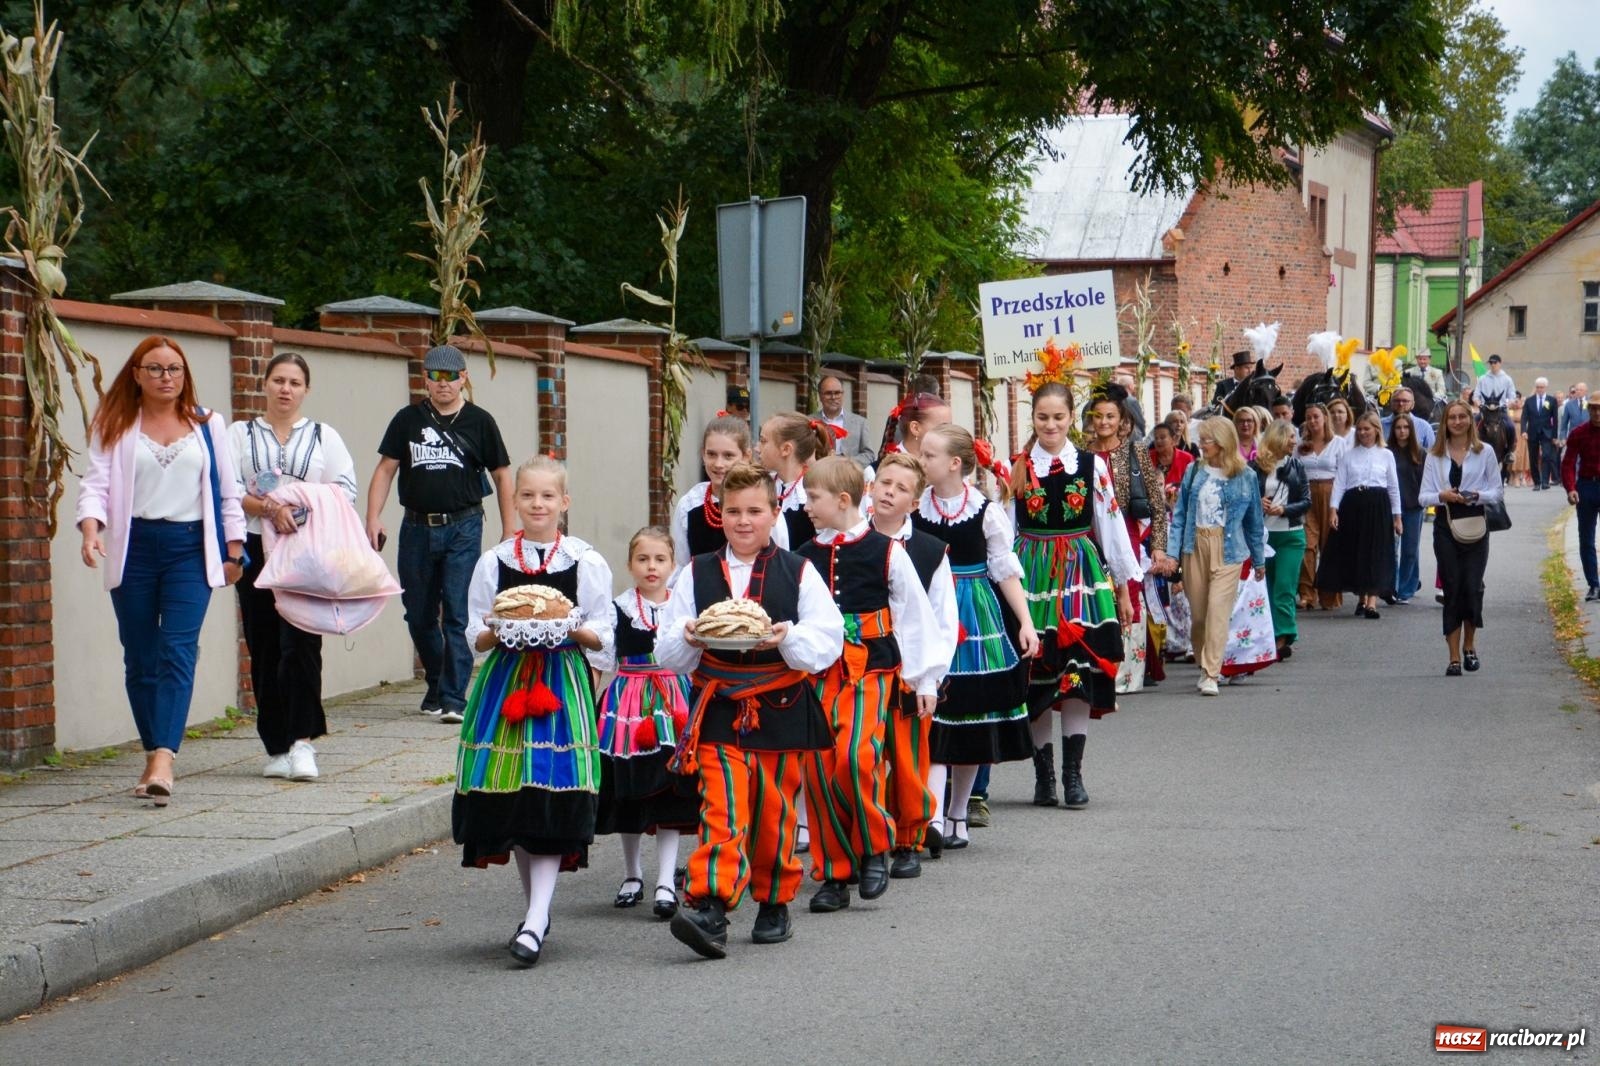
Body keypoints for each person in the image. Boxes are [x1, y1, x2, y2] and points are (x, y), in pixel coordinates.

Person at [656, 463, 844, 958]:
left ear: (773, 512)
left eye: (755, 511)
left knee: (773, 810)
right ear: (718, 514)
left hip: (780, 701)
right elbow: (667, 649)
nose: (743, 521)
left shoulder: (798, 571)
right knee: (723, 805)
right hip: (717, 703)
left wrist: (790, 636)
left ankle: (774, 900)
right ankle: (711, 905)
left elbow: (828, 640)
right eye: (733, 511)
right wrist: (688, 636)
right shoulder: (694, 573)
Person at [454, 456, 614, 967]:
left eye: (548, 496)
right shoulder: (494, 559)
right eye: (528, 496)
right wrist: (500, 630)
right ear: (515, 500)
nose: (538, 505)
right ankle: (534, 912)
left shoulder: (585, 560)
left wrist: (568, 627)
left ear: (564, 503)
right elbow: (475, 632)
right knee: (517, 798)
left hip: (560, 682)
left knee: (548, 790)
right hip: (505, 683)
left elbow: (603, 632)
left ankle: (538, 917)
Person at [77, 336, 246, 805]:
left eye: (174, 369)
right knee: (140, 654)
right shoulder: (114, 422)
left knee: (177, 648)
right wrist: (91, 531)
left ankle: (164, 757)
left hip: (189, 549)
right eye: (155, 369)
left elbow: (228, 492)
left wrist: (234, 551)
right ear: (137, 374)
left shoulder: (208, 425)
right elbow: (95, 484)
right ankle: (154, 745)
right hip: (132, 547)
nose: (166, 377)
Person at [794, 456, 943, 912]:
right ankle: (836, 873)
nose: (806, 507)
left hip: (872, 671)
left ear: (842, 500)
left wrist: (924, 678)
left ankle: (877, 844)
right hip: (819, 672)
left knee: (856, 756)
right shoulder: (803, 556)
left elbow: (916, 616)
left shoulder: (887, 550)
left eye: (813, 499)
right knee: (819, 768)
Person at [1007, 381, 1138, 809]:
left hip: (1080, 575)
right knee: (1039, 677)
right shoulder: (1019, 466)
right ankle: (1044, 776)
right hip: (1032, 574)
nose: (1050, 424)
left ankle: (1073, 774)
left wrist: (1122, 588)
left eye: (1058, 417)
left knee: (1078, 672)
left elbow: (1110, 524)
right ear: (1033, 419)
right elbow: (1005, 533)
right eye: (1043, 417)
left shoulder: (1091, 464)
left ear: (1071, 419)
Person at [366, 344, 515, 724]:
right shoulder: (408, 419)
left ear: (464, 377)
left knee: (457, 613)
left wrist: (509, 527)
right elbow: (386, 469)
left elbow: (501, 474)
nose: (443, 383)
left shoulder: (480, 421)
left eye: (451, 376)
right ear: (426, 379)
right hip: (416, 526)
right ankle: (436, 680)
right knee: (417, 614)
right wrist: (373, 516)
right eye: (435, 376)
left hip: (463, 526)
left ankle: (453, 697)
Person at [229, 352, 358, 782]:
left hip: (305, 547)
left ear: (306, 390)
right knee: (263, 643)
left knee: (301, 643)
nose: (285, 389)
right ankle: (277, 745)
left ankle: (303, 741)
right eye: (278, 380)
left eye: (294, 383)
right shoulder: (240, 434)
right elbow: (226, 489)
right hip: (254, 546)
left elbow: (344, 490)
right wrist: (267, 508)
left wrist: (296, 507)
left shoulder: (323, 436)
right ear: (264, 384)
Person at [912, 424, 1038, 843]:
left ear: (954, 464)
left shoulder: (985, 510)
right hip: (929, 610)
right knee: (932, 717)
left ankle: (958, 814)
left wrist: (1025, 621)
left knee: (965, 717)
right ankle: (930, 817)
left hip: (974, 614)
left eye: (929, 454)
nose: (921, 459)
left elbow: (1004, 570)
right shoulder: (916, 509)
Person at [594, 527, 696, 921]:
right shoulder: (618, 608)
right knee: (630, 789)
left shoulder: (684, 607)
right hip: (629, 706)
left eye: (660, 559)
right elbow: (604, 659)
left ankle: (667, 880)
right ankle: (632, 874)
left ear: (673, 564)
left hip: (675, 703)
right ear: (630, 565)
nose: (651, 567)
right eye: (643, 559)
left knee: (669, 790)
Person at [868, 451, 958, 877]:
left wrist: (930, 679)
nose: (890, 491)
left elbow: (942, 619)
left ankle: (908, 838)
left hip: (910, 671)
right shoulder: (849, 543)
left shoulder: (928, 550)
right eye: (885, 482)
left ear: (915, 502)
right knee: (860, 756)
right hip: (862, 668)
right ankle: (866, 839)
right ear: (870, 488)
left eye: (901, 488)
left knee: (907, 758)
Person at [1168, 418, 1265, 695]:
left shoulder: (1245, 475)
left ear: (1222, 442)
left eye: (1207, 440)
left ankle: (1212, 673)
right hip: (1195, 545)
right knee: (1199, 616)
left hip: (1229, 549)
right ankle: (1204, 663)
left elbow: (1254, 522)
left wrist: (1259, 560)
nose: (1202, 444)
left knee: (1217, 612)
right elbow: (1180, 515)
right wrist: (1173, 554)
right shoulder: (1194, 471)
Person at [1086, 387, 1170, 697]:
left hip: (1128, 536)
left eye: (1110, 416)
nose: (1104, 422)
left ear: (1122, 420)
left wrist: (1158, 547)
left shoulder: (1136, 455)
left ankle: (1125, 674)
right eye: (1098, 416)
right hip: (1089, 537)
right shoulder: (1081, 454)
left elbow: (1157, 507)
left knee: (1129, 597)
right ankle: (1096, 671)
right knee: (1095, 598)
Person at [1421, 401, 1503, 675]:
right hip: (1446, 524)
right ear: (1445, 422)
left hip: (1475, 524)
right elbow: (1423, 496)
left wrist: (1476, 494)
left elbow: (1497, 491)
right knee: (1452, 588)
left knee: (1472, 586)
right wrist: (1442, 496)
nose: (1457, 422)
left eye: (1461, 417)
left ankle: (1470, 646)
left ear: (1470, 420)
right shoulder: (1435, 455)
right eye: (1451, 417)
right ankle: (1454, 657)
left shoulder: (1485, 452)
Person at [672, 415, 788, 571]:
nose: (719, 464)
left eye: (728, 456)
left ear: (746, 456)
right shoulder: (690, 505)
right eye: (711, 454)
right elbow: (680, 564)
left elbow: (781, 560)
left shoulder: (763, 502)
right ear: (703, 454)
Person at [1318, 412, 1401, 618]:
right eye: (1361, 429)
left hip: (1378, 505)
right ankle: (1362, 598)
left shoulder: (1386, 454)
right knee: (1357, 550)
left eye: (1367, 429)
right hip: (1354, 504)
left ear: (1376, 430)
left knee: (1375, 551)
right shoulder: (1349, 455)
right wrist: (1333, 510)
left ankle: (1372, 602)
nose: (1363, 433)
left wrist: (1397, 516)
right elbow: (1339, 484)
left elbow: (1393, 487)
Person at [1252, 420, 1309, 660]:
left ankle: (1283, 636)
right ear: (1277, 439)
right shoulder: (1254, 468)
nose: (1295, 442)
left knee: (1284, 587)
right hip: (1263, 537)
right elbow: (1244, 497)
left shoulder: (1297, 465)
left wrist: (1285, 509)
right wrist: (1259, 502)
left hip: (1291, 534)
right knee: (1265, 589)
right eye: (1291, 437)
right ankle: (1267, 636)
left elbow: (1307, 500)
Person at [758, 411, 836, 546]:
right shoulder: (763, 485)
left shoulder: (812, 491)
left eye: (763, 441)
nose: (757, 448)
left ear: (786, 449)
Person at [1296, 402, 1346, 611]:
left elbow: (1344, 474)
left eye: (1316, 416)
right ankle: (1307, 594)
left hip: (1330, 491)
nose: (1313, 421)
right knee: (1307, 546)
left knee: (1329, 545)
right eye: (1309, 417)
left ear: (1324, 418)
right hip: (1306, 494)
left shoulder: (1339, 443)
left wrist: (1339, 502)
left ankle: (1329, 595)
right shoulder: (1301, 445)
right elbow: (1295, 469)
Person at [1561, 393, 1600, 600]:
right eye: (1593, 408)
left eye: (1599, 408)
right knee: (1586, 539)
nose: (1597, 413)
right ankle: (1594, 585)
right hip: (1586, 487)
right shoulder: (1579, 433)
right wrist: (1571, 488)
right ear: (1588, 409)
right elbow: (1568, 463)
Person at [1387, 413, 1427, 605]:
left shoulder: (1421, 453)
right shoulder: (1387, 452)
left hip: (1413, 507)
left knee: (1411, 550)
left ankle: (1406, 588)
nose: (1402, 431)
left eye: (1405, 427)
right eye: (1398, 428)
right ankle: (1391, 587)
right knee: (1391, 550)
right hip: (1391, 507)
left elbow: (1426, 481)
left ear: (1411, 430)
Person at [810, 374, 878, 467]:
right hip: (818, 474)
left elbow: (869, 455)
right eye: (828, 393)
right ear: (820, 396)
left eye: (837, 393)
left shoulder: (860, 423)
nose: (833, 397)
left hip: (849, 476)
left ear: (843, 395)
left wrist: (845, 462)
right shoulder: (809, 422)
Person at [878, 391, 952, 459]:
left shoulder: (947, 464)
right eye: (943, 427)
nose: (951, 434)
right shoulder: (882, 469)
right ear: (915, 428)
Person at [1521, 377, 1560, 490]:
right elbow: (1524, 417)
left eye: (1541, 387)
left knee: (1546, 456)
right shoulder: (1529, 400)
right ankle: (1537, 482)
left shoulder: (1552, 400)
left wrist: (1554, 436)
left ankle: (1545, 482)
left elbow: (1555, 419)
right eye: (1538, 387)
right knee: (1533, 457)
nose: (1539, 389)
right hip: (1532, 432)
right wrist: (1523, 430)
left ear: (1545, 387)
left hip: (1546, 432)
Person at [1558, 382, 1588, 449]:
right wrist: (1563, 437)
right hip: (1574, 437)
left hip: (1588, 437)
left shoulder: (1591, 403)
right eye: (1577, 390)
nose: (1578, 392)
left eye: (1581, 390)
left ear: (1586, 391)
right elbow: (1564, 424)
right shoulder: (1569, 404)